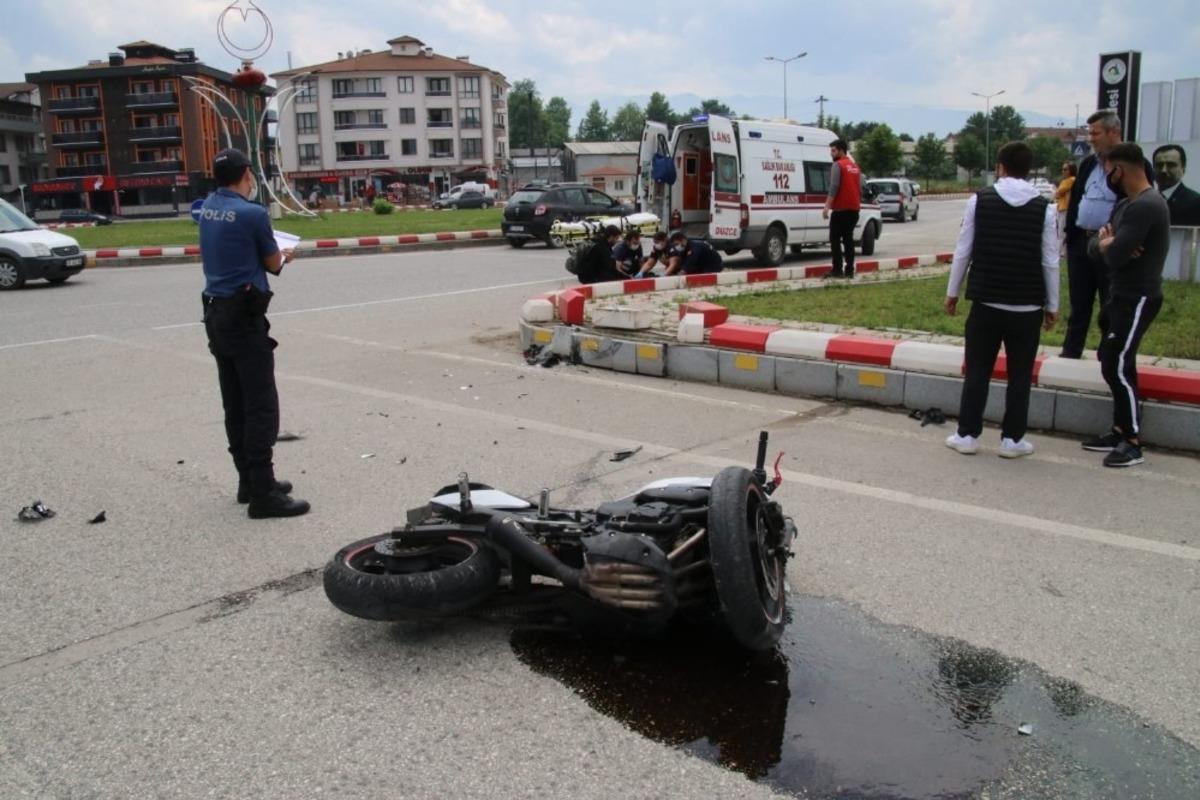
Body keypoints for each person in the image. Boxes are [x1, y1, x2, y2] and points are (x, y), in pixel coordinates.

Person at [199, 148, 310, 518]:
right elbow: (272, 262)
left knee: (234, 401)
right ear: (246, 174)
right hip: (244, 316)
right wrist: (286, 256)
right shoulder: (253, 213)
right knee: (261, 404)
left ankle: (248, 481)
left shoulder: (206, 207)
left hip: (216, 313)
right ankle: (264, 495)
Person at [943, 142, 1059, 458]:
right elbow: (1050, 260)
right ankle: (1012, 440)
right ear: (1029, 169)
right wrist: (1053, 305)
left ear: (1000, 167)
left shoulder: (979, 201)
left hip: (986, 302)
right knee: (1020, 374)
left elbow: (963, 250)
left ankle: (967, 435)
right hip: (1027, 305)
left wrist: (952, 292)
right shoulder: (1045, 208)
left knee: (978, 369)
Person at [1081, 143, 1170, 468]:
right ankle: (1119, 428)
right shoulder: (1125, 207)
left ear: (1123, 169)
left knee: (1115, 363)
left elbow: (1114, 256)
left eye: (1110, 171)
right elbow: (1096, 246)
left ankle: (1132, 441)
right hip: (1119, 294)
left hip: (1139, 295)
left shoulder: (1147, 206)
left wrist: (1110, 245)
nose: (1108, 178)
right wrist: (1108, 242)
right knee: (1114, 358)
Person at [1060, 110, 1154, 358]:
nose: (1090, 138)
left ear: (1114, 132)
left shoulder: (1137, 166)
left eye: (1095, 133)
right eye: (1089, 133)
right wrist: (1069, 235)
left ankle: (1108, 354)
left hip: (1113, 245)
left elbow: (1142, 203)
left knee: (1111, 302)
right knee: (1079, 302)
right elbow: (1077, 200)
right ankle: (1071, 351)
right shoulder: (1089, 164)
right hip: (1081, 241)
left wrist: (1129, 240)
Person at [823, 138, 862, 279]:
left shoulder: (838, 165)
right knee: (848, 240)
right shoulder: (855, 167)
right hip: (854, 210)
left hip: (840, 210)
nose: (831, 154)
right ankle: (850, 270)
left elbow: (834, 186)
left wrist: (827, 206)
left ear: (841, 150)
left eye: (833, 151)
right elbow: (859, 188)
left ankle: (837, 269)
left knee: (834, 239)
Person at [1152, 144, 1200, 226]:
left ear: (1183, 169)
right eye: (1159, 165)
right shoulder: (1148, 200)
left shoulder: (1196, 202)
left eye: (1171, 165)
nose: (1163, 170)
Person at [1054, 161, 1076, 243]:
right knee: (1060, 230)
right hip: (1062, 207)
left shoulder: (1071, 180)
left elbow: (1058, 192)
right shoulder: (1066, 181)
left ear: (1071, 170)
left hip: (1065, 207)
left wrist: (1058, 193)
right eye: (1062, 169)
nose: (1063, 171)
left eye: (1065, 169)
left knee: (1062, 230)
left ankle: (1061, 251)